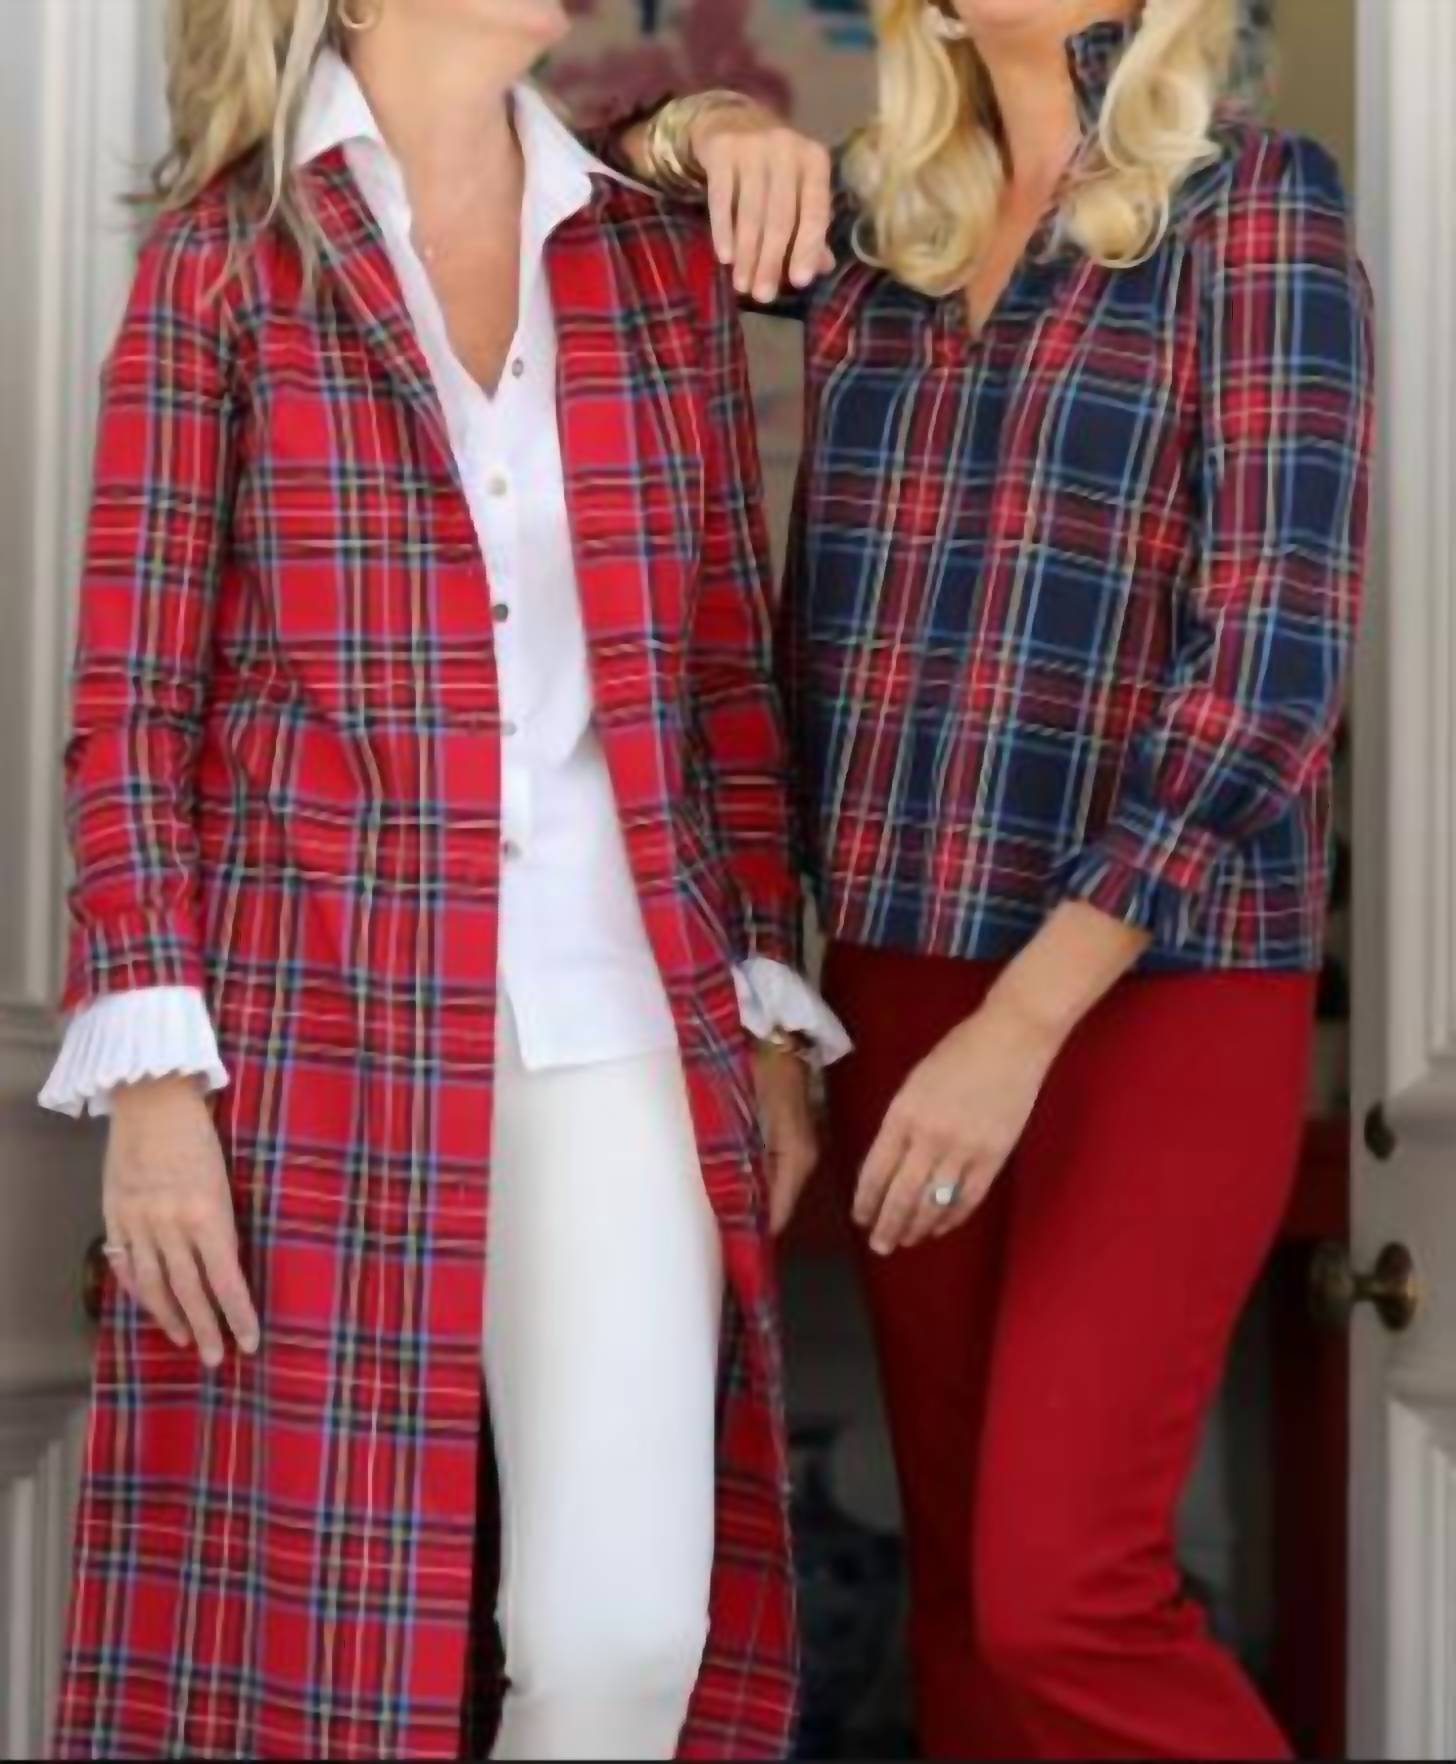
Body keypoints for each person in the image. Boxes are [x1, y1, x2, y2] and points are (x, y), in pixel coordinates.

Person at [40, 0, 850, 1757]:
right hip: (312, 1023)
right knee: (327, 1644)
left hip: (622, 1004)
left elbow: (723, 667)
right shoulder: (226, 261)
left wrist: (765, 1008)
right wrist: (157, 1088)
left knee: (628, 1632)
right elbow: (135, 703)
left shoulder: (649, 257)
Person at [603, 0, 1374, 1756]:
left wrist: (1020, 1027)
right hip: (895, 966)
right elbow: (558, 189)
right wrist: (714, 127)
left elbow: (1273, 669)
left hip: (1156, 980)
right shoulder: (880, 226)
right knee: (961, 1591)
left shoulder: (1257, 206)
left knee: (1058, 1590)